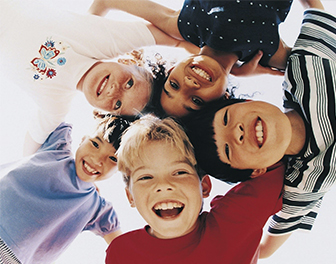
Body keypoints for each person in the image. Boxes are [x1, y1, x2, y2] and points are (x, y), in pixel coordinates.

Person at [175, 4, 336, 257]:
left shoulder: (303, 68)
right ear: (257, 171)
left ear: (247, 102)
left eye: (227, 119)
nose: (237, 133)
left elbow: (316, 10)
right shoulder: (300, 185)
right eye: (228, 149)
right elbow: (263, 250)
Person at [0, 1, 189, 156]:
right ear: (128, 61)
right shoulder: (101, 42)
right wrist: (195, 50)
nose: (114, 90)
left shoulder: (56, 105)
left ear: (103, 112)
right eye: (129, 83)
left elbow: (29, 150)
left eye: (117, 104)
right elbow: (168, 36)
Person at [105, 116, 285, 263]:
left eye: (180, 172)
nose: (163, 185)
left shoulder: (233, 223)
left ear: (204, 185)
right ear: (130, 197)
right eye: (145, 177)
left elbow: (277, 153)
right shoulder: (121, 254)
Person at [89, 0, 297, 117]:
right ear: (223, 99)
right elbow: (319, 54)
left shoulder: (185, 26)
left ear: (171, 71)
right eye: (196, 100)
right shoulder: (266, 54)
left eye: (174, 84)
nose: (189, 84)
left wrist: (85, 55)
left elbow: (107, 1)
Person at [0, 116, 130, 263]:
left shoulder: (97, 208)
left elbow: (124, 251)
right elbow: (54, 105)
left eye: (113, 158)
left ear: (120, 169)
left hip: (11, 258)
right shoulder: (57, 147)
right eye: (95, 144)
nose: (97, 159)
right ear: (83, 140)